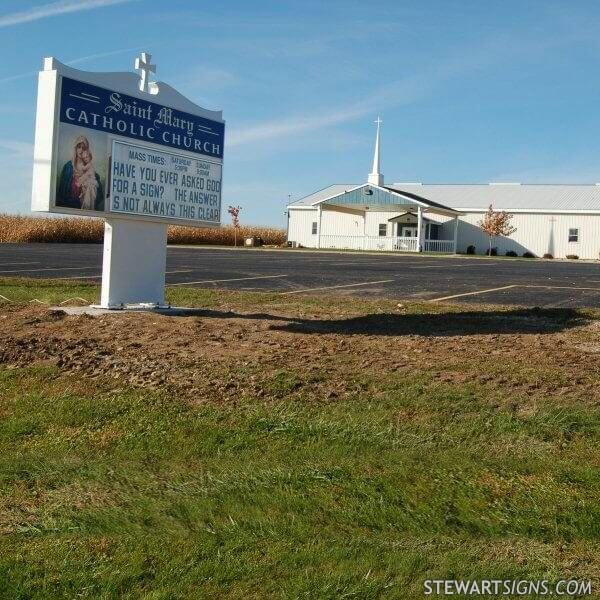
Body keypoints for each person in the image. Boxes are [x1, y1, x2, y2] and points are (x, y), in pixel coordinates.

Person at [56, 135, 104, 210]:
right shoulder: (68, 167)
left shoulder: (89, 168)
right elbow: (62, 193)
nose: (81, 150)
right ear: (75, 148)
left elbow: (99, 195)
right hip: (69, 208)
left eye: (84, 148)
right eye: (79, 147)